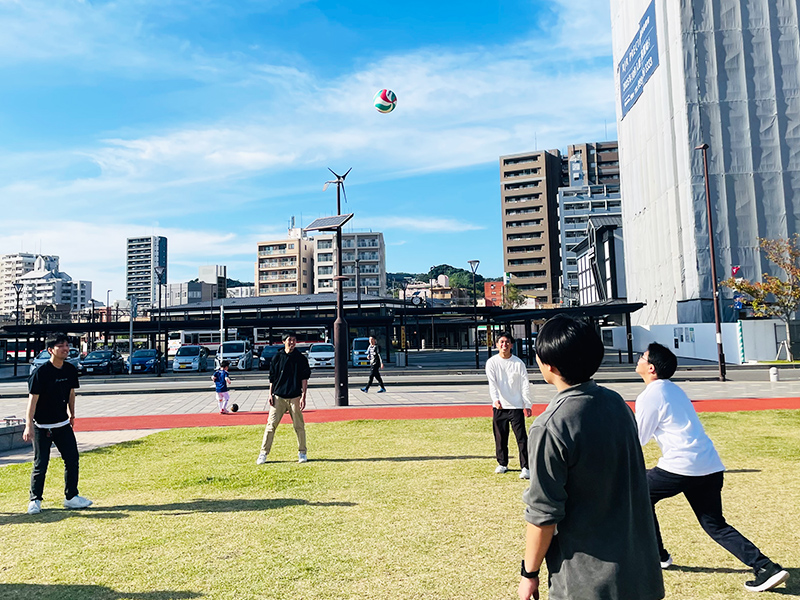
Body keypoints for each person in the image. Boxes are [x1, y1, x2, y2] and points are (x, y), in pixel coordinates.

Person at [518, 315, 663, 600]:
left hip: (588, 580)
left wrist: (529, 573)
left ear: (549, 364)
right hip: (640, 572)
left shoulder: (551, 425)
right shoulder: (617, 403)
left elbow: (543, 515)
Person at [635, 342, 789, 593]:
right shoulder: (674, 390)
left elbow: (638, 439)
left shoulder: (650, 395)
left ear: (651, 368)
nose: (639, 359)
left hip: (681, 466)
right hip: (709, 465)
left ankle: (658, 555)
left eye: (642, 357)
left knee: (638, 493)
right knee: (715, 525)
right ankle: (765, 567)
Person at [23, 336, 93, 515]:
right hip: (42, 426)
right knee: (41, 463)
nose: (65, 349)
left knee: (72, 459)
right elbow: (32, 401)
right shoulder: (40, 373)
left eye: (67, 345)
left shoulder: (70, 369)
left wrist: (72, 414)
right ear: (50, 350)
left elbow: (71, 393)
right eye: (60, 346)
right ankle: (35, 500)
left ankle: (71, 497)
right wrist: (28, 425)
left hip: (62, 424)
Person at [256, 332, 311, 465]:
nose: (292, 342)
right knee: (271, 425)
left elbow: (304, 379)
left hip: (295, 397)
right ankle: (263, 453)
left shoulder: (301, 358)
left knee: (299, 426)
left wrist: (303, 396)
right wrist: (270, 394)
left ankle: (302, 452)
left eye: (294, 340)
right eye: (289, 340)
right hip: (278, 397)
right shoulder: (277, 357)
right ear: (283, 341)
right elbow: (272, 378)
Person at [485, 331, 532, 479]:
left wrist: (527, 404)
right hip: (499, 407)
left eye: (507, 342)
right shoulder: (492, 362)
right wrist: (495, 399)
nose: (504, 345)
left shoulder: (518, 363)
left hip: (516, 406)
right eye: (501, 342)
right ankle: (502, 463)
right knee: (500, 437)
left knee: (521, 438)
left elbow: (525, 384)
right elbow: (492, 383)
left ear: (511, 345)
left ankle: (526, 467)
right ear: (496, 345)